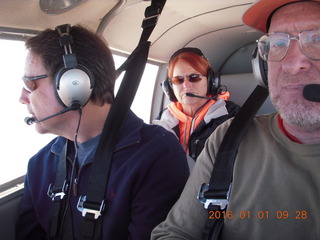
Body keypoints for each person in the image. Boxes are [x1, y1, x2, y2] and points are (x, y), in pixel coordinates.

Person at [151, 0, 320, 239]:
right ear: (263, 65)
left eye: (317, 39)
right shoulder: (229, 139)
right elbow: (175, 232)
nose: (293, 64)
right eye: (278, 44)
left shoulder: (229, 122)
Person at [15, 24, 189, 240]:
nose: (22, 98)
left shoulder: (157, 156)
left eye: (30, 85)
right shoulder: (39, 165)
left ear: (73, 86)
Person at [153, 48, 240, 162]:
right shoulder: (163, 118)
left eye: (194, 77)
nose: (186, 85)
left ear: (211, 81)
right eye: (178, 80)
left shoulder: (232, 115)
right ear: (169, 87)